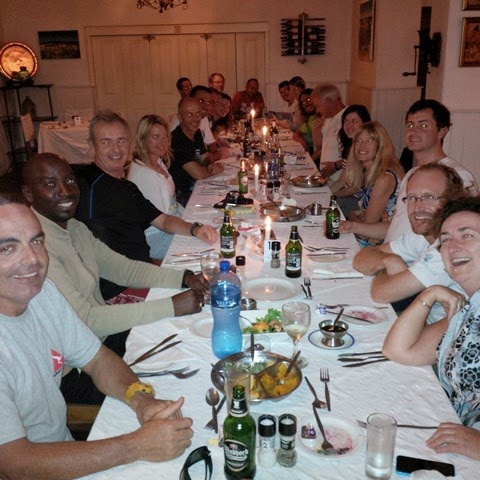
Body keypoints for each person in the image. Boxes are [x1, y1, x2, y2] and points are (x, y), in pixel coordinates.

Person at [0, 194, 194, 478]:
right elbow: (14, 465)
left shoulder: (44, 294)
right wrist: (135, 446)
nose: (32, 259)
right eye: (7, 248)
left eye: (36, 241)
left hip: (65, 454)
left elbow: (97, 359)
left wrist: (141, 399)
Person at [22, 153, 206, 403]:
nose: (65, 191)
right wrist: (171, 306)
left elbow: (123, 269)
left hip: (103, 342)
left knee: (186, 344)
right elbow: (86, 320)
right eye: (50, 184)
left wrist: (183, 278)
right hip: (76, 370)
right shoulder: (36, 250)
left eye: (69, 180)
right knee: (177, 388)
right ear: (29, 193)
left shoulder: (74, 228)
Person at [75, 111, 218, 300]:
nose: (116, 149)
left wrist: (195, 229)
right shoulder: (83, 188)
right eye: (106, 142)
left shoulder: (127, 188)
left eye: (121, 141)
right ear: (91, 145)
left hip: (145, 272)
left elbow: (163, 220)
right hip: (120, 289)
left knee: (211, 261)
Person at [382, 196, 480, 461]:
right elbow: (399, 350)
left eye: (467, 235)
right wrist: (431, 293)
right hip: (447, 430)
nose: (453, 246)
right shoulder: (467, 307)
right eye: (445, 239)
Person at [353, 163, 466, 321]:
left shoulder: (452, 247)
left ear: (453, 201)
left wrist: (382, 268)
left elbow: (381, 294)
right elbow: (361, 258)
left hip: (445, 332)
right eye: (412, 198)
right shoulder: (422, 234)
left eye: (429, 197)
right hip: (424, 321)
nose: (418, 207)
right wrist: (388, 260)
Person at [384, 99, 478, 243]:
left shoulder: (458, 175)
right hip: (389, 250)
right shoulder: (411, 174)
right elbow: (396, 227)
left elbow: (461, 234)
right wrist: (353, 226)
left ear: (442, 131)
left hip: (415, 257)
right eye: (410, 125)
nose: (413, 131)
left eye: (423, 125)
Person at [334, 121, 404, 247]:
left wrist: (352, 215)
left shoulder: (384, 178)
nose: (362, 146)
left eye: (370, 141)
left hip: (381, 244)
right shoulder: (366, 171)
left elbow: (365, 231)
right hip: (368, 235)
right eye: (358, 140)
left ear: (380, 146)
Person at [128, 114, 182, 258]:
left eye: (165, 136)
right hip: (156, 237)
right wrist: (192, 227)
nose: (162, 142)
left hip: (168, 225)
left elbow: (172, 204)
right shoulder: (144, 174)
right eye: (155, 137)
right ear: (143, 139)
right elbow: (163, 221)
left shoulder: (157, 161)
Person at [170, 97, 224, 206]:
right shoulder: (177, 140)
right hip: (182, 195)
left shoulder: (197, 132)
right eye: (189, 115)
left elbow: (204, 157)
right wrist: (214, 169)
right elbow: (198, 174)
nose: (195, 119)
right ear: (180, 117)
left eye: (198, 114)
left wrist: (211, 164)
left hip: (197, 186)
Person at [331, 104, 372, 216]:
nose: (349, 126)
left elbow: (356, 188)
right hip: (350, 195)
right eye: (346, 122)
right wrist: (328, 193)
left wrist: (333, 196)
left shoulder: (365, 150)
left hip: (361, 201)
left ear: (365, 123)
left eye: (354, 121)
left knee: (332, 207)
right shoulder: (351, 147)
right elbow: (342, 180)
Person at [311, 83, 348, 179]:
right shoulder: (328, 118)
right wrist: (316, 130)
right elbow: (320, 146)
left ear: (328, 101)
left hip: (341, 179)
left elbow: (354, 154)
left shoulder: (349, 118)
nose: (317, 111)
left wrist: (335, 165)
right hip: (327, 177)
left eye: (318, 106)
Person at [292, 88, 323, 165]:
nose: (306, 104)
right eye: (303, 103)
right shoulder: (311, 118)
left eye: (308, 99)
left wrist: (309, 161)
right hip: (316, 157)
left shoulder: (324, 118)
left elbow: (322, 149)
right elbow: (296, 134)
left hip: (324, 161)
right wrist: (303, 143)